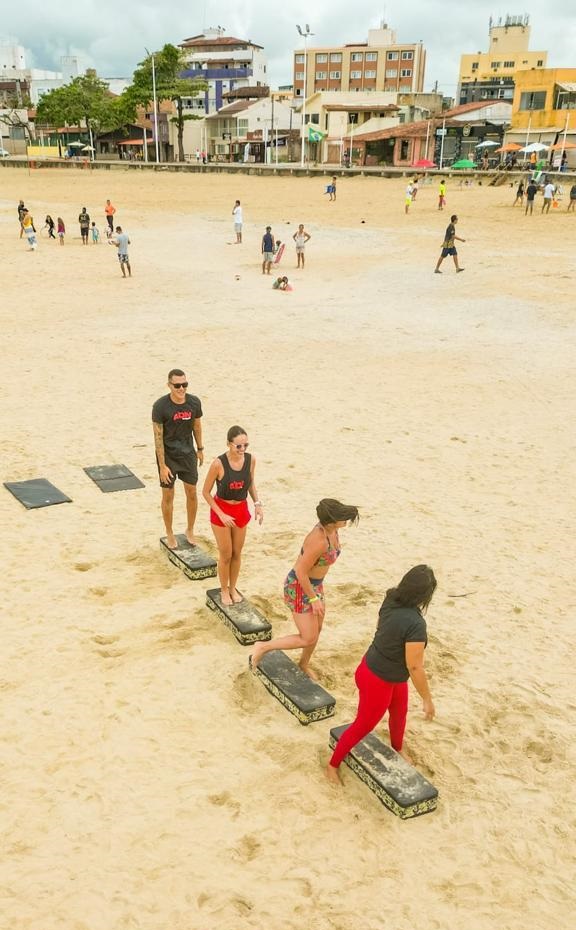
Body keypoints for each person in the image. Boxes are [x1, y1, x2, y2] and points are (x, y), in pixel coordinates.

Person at [325, 565, 437, 785]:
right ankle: (332, 766)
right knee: (363, 725)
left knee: (399, 713)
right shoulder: (416, 624)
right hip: (377, 680)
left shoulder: (391, 598)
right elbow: (415, 667)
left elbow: (381, 629)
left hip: (377, 669)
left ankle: (397, 748)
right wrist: (427, 699)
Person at [250, 499, 359, 679]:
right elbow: (301, 572)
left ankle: (303, 664)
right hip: (300, 586)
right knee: (308, 637)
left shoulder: (333, 529)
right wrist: (314, 599)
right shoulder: (319, 540)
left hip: (315, 585)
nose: (345, 519)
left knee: (317, 629)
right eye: (342, 517)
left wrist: (316, 595)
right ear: (331, 521)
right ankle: (263, 646)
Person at [202, 425, 263, 606]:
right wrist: (221, 514)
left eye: (246, 446)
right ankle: (223, 589)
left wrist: (257, 504)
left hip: (241, 509)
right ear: (229, 444)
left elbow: (250, 483)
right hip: (222, 510)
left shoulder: (250, 460)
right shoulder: (218, 464)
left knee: (237, 552)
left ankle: (233, 587)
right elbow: (205, 492)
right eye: (238, 446)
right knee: (226, 554)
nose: (242, 450)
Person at [152, 369, 204, 550]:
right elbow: (158, 438)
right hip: (168, 456)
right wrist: (162, 465)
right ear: (169, 385)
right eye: (177, 385)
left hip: (188, 453)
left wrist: (200, 448)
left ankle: (190, 529)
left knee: (192, 493)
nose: (181, 388)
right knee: (168, 495)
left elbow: (197, 426)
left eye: (185, 385)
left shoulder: (194, 402)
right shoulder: (160, 406)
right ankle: (169, 532)